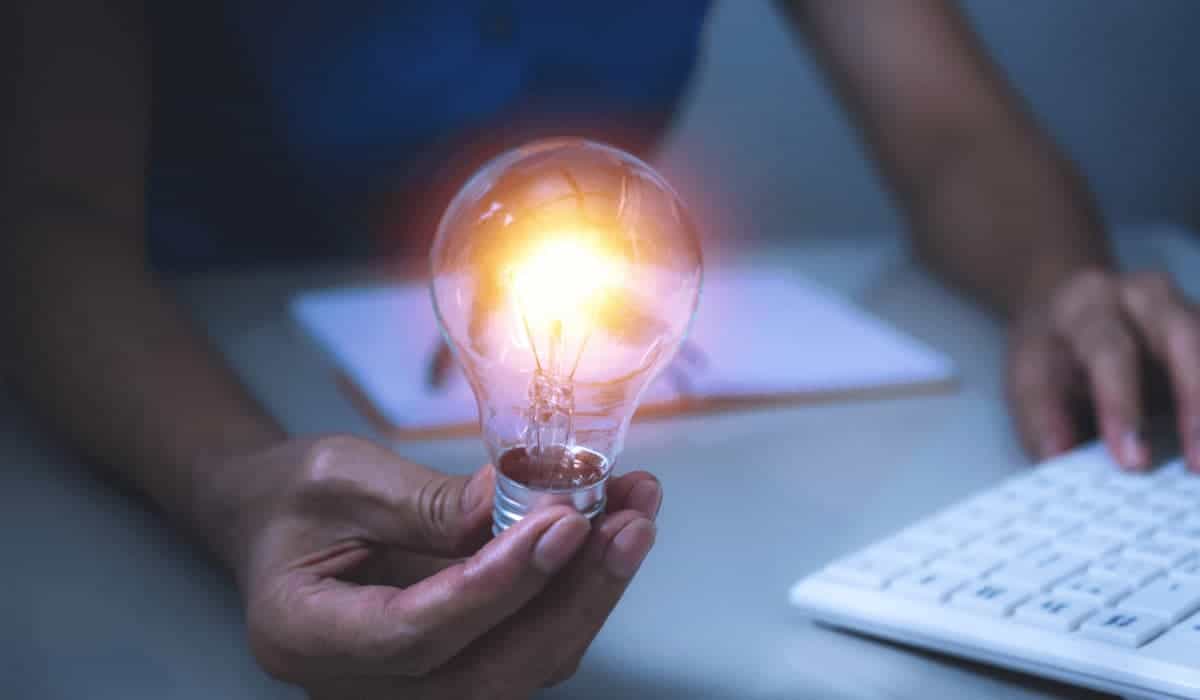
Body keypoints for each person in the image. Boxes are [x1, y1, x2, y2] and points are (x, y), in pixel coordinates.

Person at [5, 1, 1199, 698]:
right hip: (183, 377)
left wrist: (1062, 277)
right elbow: (44, 214)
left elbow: (951, 133)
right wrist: (231, 486)